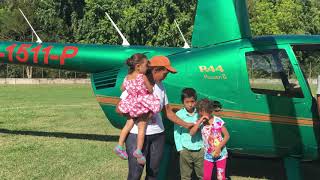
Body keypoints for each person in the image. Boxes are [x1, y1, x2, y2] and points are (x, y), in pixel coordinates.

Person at [124, 55, 194, 180]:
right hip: (136, 135)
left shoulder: (161, 86)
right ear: (156, 70)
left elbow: (168, 112)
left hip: (158, 135)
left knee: (153, 173)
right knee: (135, 174)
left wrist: (186, 125)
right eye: (165, 73)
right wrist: (143, 114)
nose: (166, 76)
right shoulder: (137, 82)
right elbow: (120, 109)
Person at [114, 53, 161, 165]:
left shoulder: (127, 78)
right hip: (141, 104)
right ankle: (138, 151)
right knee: (142, 127)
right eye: (145, 65)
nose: (147, 68)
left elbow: (122, 88)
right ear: (138, 66)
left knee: (128, 125)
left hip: (131, 104)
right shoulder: (142, 77)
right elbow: (150, 90)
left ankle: (119, 145)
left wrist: (131, 90)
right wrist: (148, 88)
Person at [190, 99, 230, 180]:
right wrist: (200, 121)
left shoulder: (218, 121)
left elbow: (227, 136)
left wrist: (219, 147)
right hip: (208, 156)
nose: (202, 116)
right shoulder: (200, 122)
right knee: (206, 177)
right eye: (200, 114)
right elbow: (191, 133)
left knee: (220, 177)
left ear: (210, 111)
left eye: (203, 113)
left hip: (221, 154)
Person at [174, 88, 204, 180]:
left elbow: (204, 130)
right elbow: (176, 132)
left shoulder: (200, 114)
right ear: (183, 102)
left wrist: (204, 146)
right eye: (187, 102)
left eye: (192, 101)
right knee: (185, 176)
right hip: (185, 149)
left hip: (200, 149)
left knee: (202, 175)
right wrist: (180, 149)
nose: (190, 104)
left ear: (196, 101)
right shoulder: (179, 115)